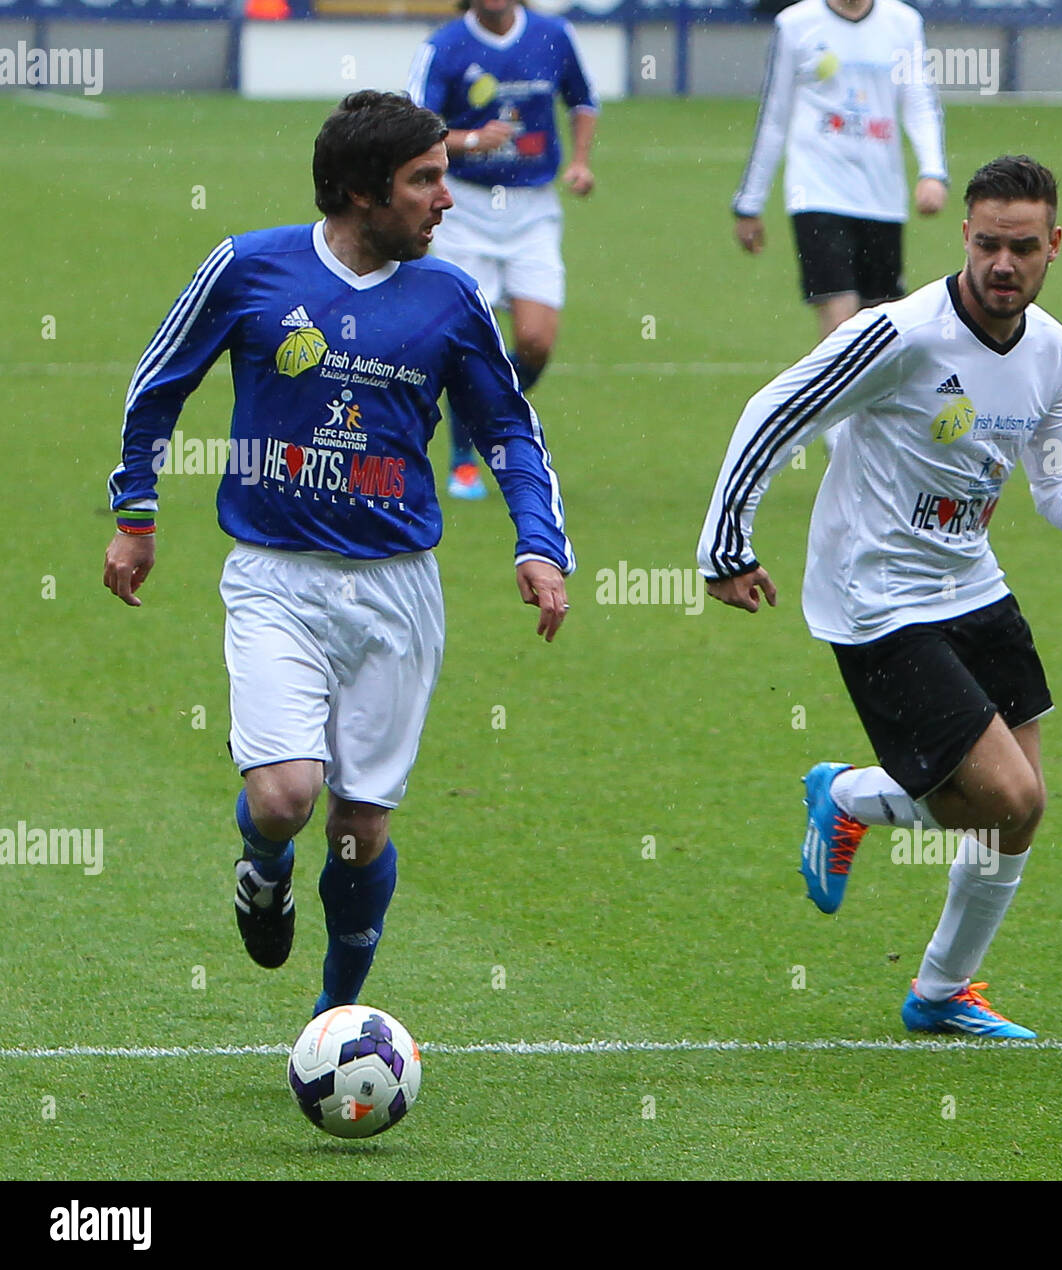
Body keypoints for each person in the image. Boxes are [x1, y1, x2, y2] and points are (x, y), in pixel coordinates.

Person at [103, 90, 574, 1019]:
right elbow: (160, 384)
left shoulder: (451, 299)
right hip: (275, 576)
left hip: (398, 592)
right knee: (285, 798)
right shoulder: (248, 268)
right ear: (362, 192)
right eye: (426, 180)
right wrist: (136, 513)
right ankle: (263, 864)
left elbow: (510, 432)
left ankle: (334, 1022)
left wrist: (539, 543)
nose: (449, 197)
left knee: (360, 829)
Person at [698, 155, 1062, 1039]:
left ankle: (941, 991)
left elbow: (1061, 491)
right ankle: (854, 798)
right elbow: (775, 410)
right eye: (987, 245)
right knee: (1005, 799)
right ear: (965, 238)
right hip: (874, 593)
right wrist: (726, 547)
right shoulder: (900, 335)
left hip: (970, 580)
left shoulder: (1058, 354)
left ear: (1054, 245)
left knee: (1019, 812)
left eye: (1023, 247)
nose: (1003, 265)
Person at [733, 0, 948, 451]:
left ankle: (873, 432)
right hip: (817, 192)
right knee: (840, 315)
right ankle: (839, 443)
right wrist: (750, 202)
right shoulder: (796, 25)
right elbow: (775, 114)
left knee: (882, 323)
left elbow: (918, 99)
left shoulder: (902, 23)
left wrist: (932, 170)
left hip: (882, 198)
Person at [407, 0, 598, 500]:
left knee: (536, 342)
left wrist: (579, 162)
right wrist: (471, 140)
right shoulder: (443, 47)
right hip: (463, 209)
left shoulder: (553, 36)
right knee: (467, 339)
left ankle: (477, 414)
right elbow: (411, 128)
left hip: (532, 208)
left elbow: (583, 101)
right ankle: (462, 459)